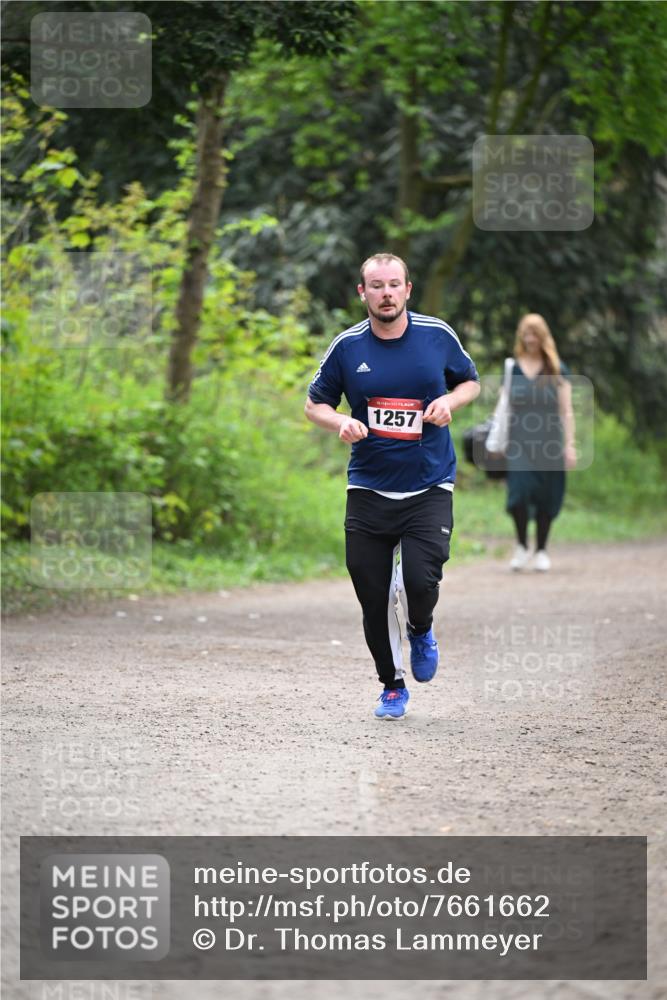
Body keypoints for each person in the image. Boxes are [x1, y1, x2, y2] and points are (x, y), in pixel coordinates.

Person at [305, 253, 480, 720]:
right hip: (368, 486)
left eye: (394, 284)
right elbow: (313, 404)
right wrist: (340, 420)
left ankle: (421, 629)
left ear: (408, 289)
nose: (386, 293)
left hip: (428, 483)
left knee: (422, 580)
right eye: (376, 285)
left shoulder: (437, 335)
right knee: (371, 591)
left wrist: (449, 401)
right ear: (362, 293)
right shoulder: (347, 347)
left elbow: (471, 383)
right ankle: (392, 685)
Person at [504, 313, 577, 573]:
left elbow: (566, 410)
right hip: (519, 441)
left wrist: (570, 444)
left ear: (543, 336)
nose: (530, 338)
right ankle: (522, 545)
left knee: (547, 495)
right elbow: (504, 406)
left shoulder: (557, 368)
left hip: (549, 441)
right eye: (526, 333)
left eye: (534, 333)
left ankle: (542, 549)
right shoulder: (513, 368)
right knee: (518, 495)